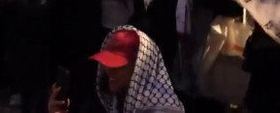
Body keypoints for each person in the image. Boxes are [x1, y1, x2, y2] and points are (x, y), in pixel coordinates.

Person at [49, 26, 184, 113]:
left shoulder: (164, 110)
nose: (108, 70)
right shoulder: (116, 99)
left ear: (141, 67)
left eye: (117, 65)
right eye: (107, 62)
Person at [6, 0, 56, 113]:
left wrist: (19, 2)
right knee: (26, 90)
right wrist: (10, 0)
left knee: (40, 91)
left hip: (41, 45)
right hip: (22, 43)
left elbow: (40, 13)